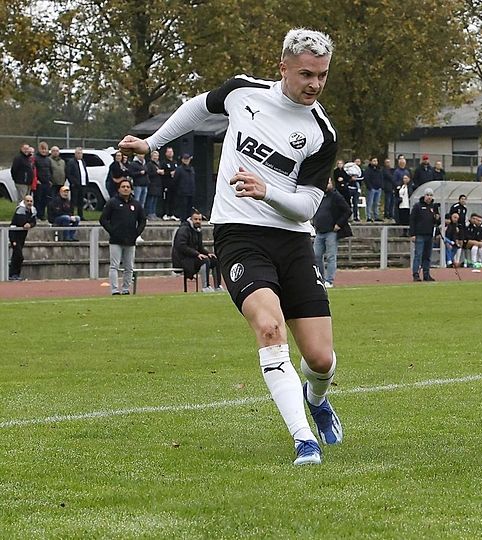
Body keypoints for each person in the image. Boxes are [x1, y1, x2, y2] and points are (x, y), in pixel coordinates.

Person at [117, 28, 343, 466]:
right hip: (238, 236)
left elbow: (305, 209)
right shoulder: (243, 93)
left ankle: (316, 399)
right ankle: (304, 441)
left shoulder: (322, 133)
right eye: (306, 74)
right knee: (270, 330)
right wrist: (152, 143)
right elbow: (196, 109)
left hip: (293, 241)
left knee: (320, 358)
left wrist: (268, 191)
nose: (315, 84)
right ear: (283, 68)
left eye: (322, 75)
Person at [99, 179, 147, 294]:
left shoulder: (136, 204)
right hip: (116, 240)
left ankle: (126, 289)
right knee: (114, 266)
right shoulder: (112, 203)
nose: (125, 188)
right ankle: (114, 290)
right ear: (119, 189)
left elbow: (142, 220)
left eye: (127, 187)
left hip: (130, 240)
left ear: (131, 189)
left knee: (129, 267)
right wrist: (112, 231)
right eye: (123, 186)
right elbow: (103, 219)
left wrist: (136, 233)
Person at [312, 178, 352, 288]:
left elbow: (347, 210)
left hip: (331, 232)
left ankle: (329, 280)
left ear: (332, 184)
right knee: (316, 256)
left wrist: (339, 224)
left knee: (331, 257)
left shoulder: (336, 196)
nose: (326, 184)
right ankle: (320, 278)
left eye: (328, 182)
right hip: (320, 231)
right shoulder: (319, 196)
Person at [173, 209, 222, 291]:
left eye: (199, 219)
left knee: (214, 259)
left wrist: (208, 253)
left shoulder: (198, 230)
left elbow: (200, 247)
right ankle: (205, 286)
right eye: (195, 219)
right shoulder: (184, 229)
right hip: (183, 259)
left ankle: (218, 286)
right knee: (205, 260)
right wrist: (197, 254)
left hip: (193, 257)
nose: (198, 221)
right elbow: (181, 246)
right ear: (191, 219)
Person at [409, 187, 440, 281]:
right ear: (424, 195)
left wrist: (437, 218)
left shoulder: (433, 207)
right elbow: (412, 220)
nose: (429, 197)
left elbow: (437, 222)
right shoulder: (418, 206)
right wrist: (412, 234)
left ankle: (426, 274)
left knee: (427, 256)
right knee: (418, 255)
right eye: (427, 195)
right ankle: (415, 274)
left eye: (431, 195)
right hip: (420, 234)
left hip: (429, 235)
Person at [8, 195, 37, 281]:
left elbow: (34, 222)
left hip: (22, 236)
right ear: (24, 201)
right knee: (18, 255)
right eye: (27, 201)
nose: (29, 203)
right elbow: (21, 221)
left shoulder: (32, 210)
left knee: (16, 255)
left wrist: (30, 224)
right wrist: (28, 223)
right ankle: (13, 274)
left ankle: (15, 274)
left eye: (31, 201)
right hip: (15, 235)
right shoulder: (20, 210)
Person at [66, 147, 89, 220]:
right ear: (75, 154)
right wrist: (73, 182)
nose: (80, 155)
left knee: (81, 201)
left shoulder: (83, 162)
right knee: (73, 200)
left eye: (81, 153)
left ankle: (80, 215)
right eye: (78, 153)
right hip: (75, 185)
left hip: (83, 184)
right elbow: (69, 173)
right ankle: (71, 214)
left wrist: (87, 181)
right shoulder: (71, 162)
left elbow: (84, 172)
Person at [174, 153, 196, 221]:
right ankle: (183, 220)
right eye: (185, 159)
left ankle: (188, 219)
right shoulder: (179, 169)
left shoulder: (192, 168)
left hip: (191, 191)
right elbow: (175, 180)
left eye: (187, 159)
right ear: (182, 160)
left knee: (189, 207)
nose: (186, 160)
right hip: (182, 192)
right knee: (183, 208)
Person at [160, 147, 179, 220]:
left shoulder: (175, 162)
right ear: (166, 153)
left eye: (171, 152)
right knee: (166, 199)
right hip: (166, 184)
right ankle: (165, 214)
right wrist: (169, 173)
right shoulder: (164, 162)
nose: (170, 153)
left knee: (173, 199)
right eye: (169, 152)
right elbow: (162, 172)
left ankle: (172, 214)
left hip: (174, 184)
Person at [363, 157, 383, 222]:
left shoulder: (379, 170)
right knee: (370, 203)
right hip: (371, 189)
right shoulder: (368, 170)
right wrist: (370, 187)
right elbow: (366, 179)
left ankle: (376, 216)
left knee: (376, 203)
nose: (375, 162)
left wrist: (380, 186)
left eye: (376, 161)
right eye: (374, 161)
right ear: (371, 162)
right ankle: (368, 217)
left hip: (378, 188)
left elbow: (381, 178)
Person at [145, 150, 163, 220]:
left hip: (158, 184)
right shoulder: (149, 164)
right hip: (152, 184)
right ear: (151, 156)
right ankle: (149, 213)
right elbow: (148, 174)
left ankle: (154, 213)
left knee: (155, 200)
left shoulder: (159, 164)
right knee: (151, 199)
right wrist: (157, 172)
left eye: (157, 156)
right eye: (154, 156)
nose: (156, 157)